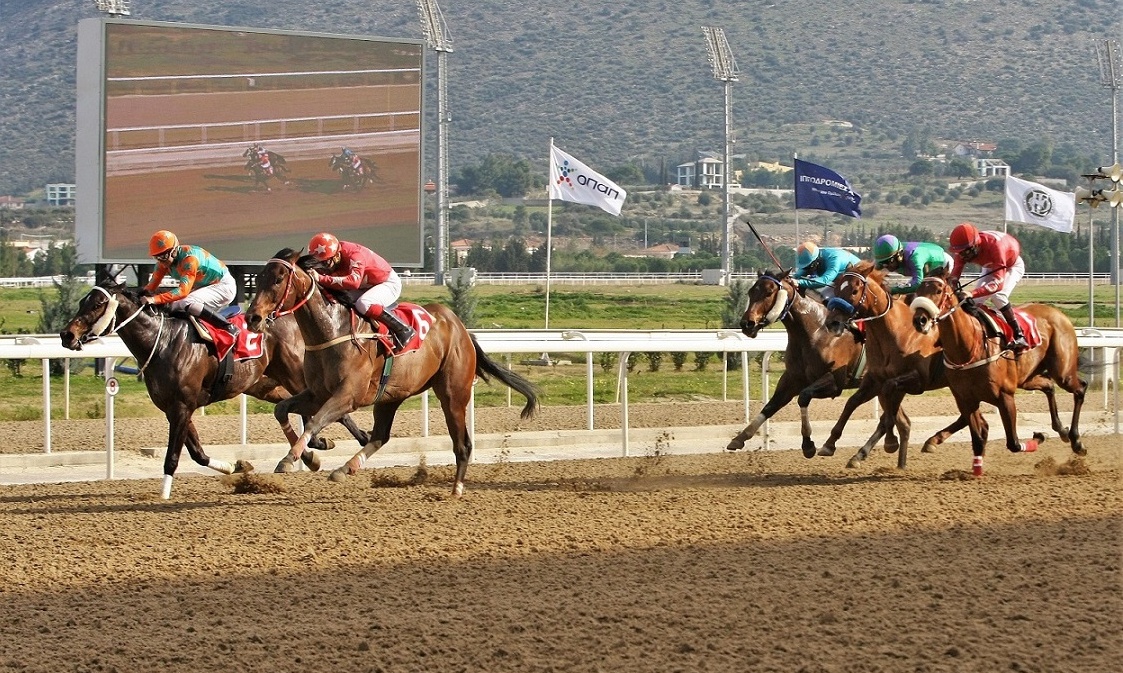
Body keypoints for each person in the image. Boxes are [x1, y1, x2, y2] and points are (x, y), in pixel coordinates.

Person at [306, 232, 415, 349]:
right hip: (364, 286)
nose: (321, 267)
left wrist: (321, 278)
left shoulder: (355, 255)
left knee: (364, 304)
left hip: (387, 283)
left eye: (324, 262)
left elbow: (354, 282)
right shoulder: (333, 257)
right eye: (318, 262)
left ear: (336, 256)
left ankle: (404, 329)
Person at [948, 222, 1028, 353]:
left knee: (998, 296)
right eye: (959, 253)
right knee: (975, 303)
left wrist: (971, 293)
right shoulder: (962, 250)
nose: (962, 256)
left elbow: (998, 284)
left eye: (965, 252)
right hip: (990, 266)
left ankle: (1019, 335)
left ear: (975, 246)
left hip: (1011, 265)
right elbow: (954, 278)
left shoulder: (996, 247)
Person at [142, 230, 238, 335]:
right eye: (157, 257)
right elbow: (150, 288)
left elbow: (182, 291)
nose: (161, 261)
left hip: (223, 286)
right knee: (173, 306)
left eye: (163, 256)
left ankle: (228, 327)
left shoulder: (190, 260)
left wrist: (153, 299)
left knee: (186, 302)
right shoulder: (162, 264)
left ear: (174, 250)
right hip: (205, 286)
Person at [872, 234, 955, 296]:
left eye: (889, 261)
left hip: (942, 266)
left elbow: (917, 283)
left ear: (899, 255)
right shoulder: (886, 258)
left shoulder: (915, 258)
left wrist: (892, 289)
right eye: (883, 263)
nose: (886, 266)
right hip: (922, 270)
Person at [793, 241, 861, 300]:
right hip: (841, 281)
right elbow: (798, 274)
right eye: (805, 267)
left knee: (826, 298)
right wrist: (790, 279)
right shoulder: (813, 261)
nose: (808, 270)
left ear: (816, 260)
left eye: (809, 266)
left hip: (857, 281)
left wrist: (799, 282)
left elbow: (824, 281)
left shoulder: (834, 259)